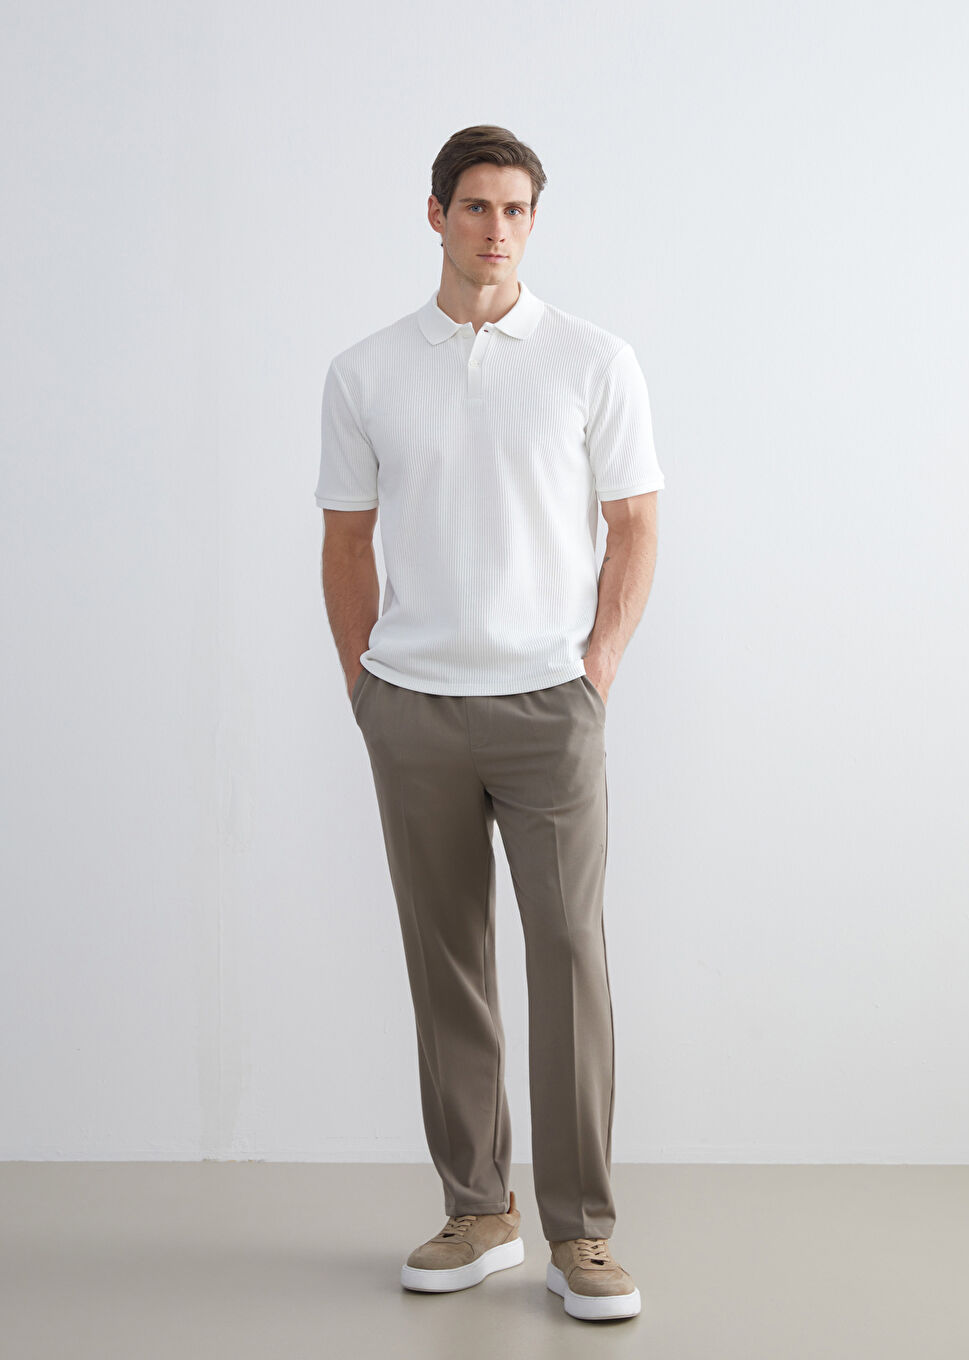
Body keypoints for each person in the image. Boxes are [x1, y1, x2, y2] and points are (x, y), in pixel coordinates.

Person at [315, 124, 663, 1323]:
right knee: (448, 962)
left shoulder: (592, 360)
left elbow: (635, 522)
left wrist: (596, 668)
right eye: (475, 206)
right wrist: (366, 687)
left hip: (547, 707)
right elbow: (346, 539)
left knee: (569, 957)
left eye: (516, 209)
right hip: (413, 708)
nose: (497, 228)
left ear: (533, 221)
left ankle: (583, 1232)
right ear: (436, 216)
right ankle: (478, 1207)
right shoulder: (366, 371)